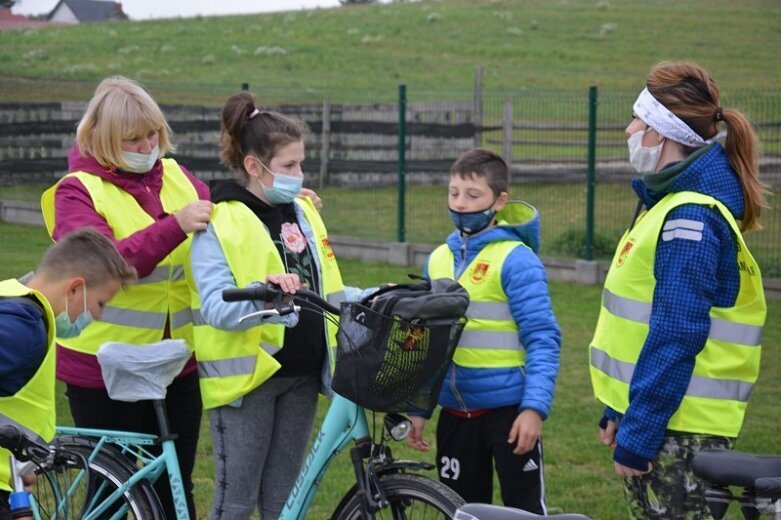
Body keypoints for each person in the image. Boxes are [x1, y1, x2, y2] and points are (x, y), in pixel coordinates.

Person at [589, 61, 768, 519]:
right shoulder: (669, 205)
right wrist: (620, 407)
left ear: (662, 132)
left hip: (678, 430)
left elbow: (677, 332)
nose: (629, 129)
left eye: (638, 120)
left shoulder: (689, 218)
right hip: (667, 418)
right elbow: (643, 322)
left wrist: (642, 429)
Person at [189, 91, 373, 520]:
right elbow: (216, 306)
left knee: (285, 504)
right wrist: (266, 294)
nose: (299, 173)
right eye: (289, 166)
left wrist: (371, 295)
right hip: (247, 385)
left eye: (300, 163)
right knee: (234, 504)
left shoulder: (304, 211)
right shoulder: (219, 221)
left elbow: (326, 283)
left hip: (304, 377)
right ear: (255, 167)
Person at [39, 75, 212, 519]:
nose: (146, 145)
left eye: (151, 133)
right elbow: (103, 264)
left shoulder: (175, 174)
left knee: (175, 485)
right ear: (103, 139)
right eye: (132, 138)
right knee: (112, 490)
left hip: (176, 361)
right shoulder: (76, 191)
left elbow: (221, 216)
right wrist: (174, 225)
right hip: (103, 366)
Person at [406, 148, 561, 514]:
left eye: (473, 195)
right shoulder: (437, 259)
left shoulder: (517, 260)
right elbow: (430, 340)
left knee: (522, 512)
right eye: (453, 192)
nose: (460, 203)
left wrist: (534, 409)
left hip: (509, 416)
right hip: (455, 416)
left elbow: (543, 338)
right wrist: (419, 408)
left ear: (499, 200)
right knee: (462, 512)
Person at [0, 228, 136, 519]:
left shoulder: (11, 298)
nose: (99, 316)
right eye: (101, 303)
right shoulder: (24, 330)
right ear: (75, 288)